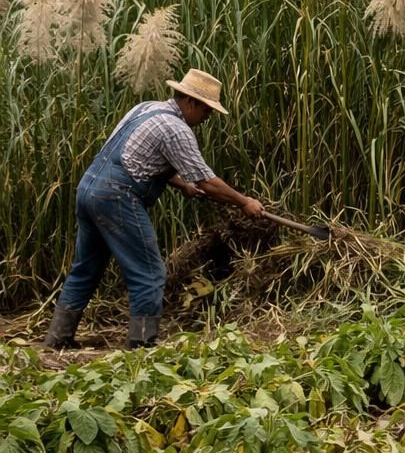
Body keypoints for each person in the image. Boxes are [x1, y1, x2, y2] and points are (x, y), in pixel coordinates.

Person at [44, 68, 264, 350]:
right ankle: (141, 349)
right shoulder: (177, 129)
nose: (208, 117)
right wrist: (245, 201)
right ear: (190, 102)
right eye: (207, 110)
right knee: (149, 273)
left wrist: (181, 184)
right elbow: (208, 182)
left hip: (89, 190)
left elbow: (132, 155)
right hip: (117, 198)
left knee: (85, 268)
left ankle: (57, 339)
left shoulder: (145, 108)